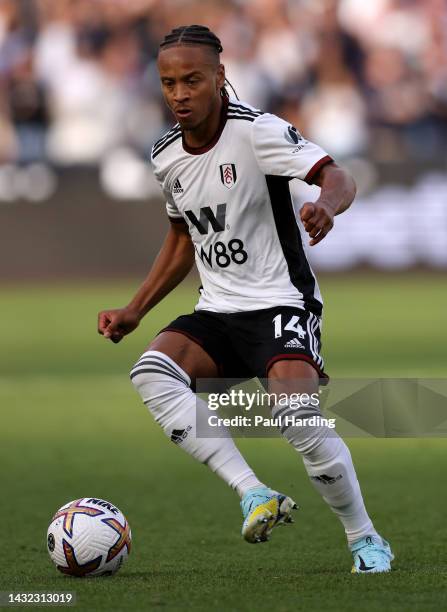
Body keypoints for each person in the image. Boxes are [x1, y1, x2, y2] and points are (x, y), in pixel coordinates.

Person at [98, 25, 393, 573]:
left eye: (192, 80)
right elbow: (184, 237)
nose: (180, 94)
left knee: (298, 419)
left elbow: (338, 175)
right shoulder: (166, 156)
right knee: (153, 373)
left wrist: (326, 205)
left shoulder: (258, 132)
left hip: (282, 304)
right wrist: (136, 309)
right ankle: (253, 492)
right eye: (168, 83)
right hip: (218, 310)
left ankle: (365, 538)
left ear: (219, 77)